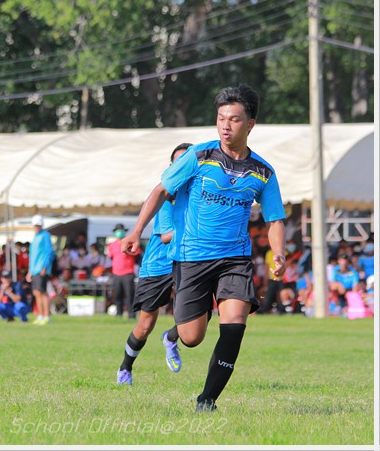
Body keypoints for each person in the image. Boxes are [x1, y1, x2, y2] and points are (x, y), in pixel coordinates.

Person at [120, 84, 286, 412]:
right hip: (192, 258)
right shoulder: (199, 156)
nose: (226, 125)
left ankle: (207, 400)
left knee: (236, 324)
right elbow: (158, 191)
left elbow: (275, 219)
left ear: (250, 124)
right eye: (221, 118)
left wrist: (278, 254)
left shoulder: (263, 172)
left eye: (234, 119)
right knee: (192, 337)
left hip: (234, 259)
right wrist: (137, 230)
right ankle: (182, 330)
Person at [116, 143, 190, 386]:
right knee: (145, 324)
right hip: (158, 266)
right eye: (177, 162)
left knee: (200, 312)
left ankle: (170, 338)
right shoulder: (166, 199)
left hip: (186, 261)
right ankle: (125, 369)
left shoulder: (197, 197)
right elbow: (167, 235)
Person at [108, 223, 140, 320]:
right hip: (116, 273)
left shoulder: (130, 243)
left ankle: (131, 314)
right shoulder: (112, 245)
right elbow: (111, 257)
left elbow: (137, 254)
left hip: (128, 273)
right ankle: (119, 314)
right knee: (117, 295)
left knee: (129, 295)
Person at [27, 214, 55, 325]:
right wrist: (30, 270)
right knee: (36, 292)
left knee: (42, 292)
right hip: (34, 269)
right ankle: (40, 315)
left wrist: (45, 266)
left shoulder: (45, 235)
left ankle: (46, 316)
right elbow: (33, 255)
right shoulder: (35, 237)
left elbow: (49, 252)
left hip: (41, 268)